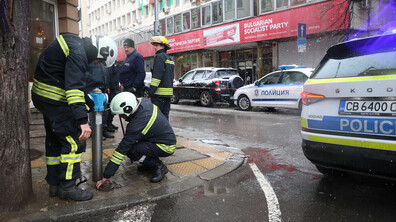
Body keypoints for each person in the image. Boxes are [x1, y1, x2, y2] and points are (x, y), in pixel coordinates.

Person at [31, 34, 112, 201]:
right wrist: (83, 122)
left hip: (44, 98)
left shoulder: (74, 44)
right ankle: (68, 187)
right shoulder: (79, 53)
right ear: (98, 51)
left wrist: (89, 102)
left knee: (55, 140)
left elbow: (69, 81)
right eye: (98, 61)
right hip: (55, 101)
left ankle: (54, 185)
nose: (95, 64)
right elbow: (74, 89)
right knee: (73, 142)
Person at [96, 92, 176, 189]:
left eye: (121, 114)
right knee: (136, 146)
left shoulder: (137, 124)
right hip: (157, 139)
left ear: (128, 109)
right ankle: (148, 163)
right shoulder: (143, 102)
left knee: (131, 152)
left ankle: (158, 165)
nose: (120, 117)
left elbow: (121, 150)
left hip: (166, 146)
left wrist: (107, 175)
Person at [84, 60, 114, 139]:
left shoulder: (102, 63)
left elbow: (105, 75)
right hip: (92, 89)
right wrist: (91, 81)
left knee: (104, 112)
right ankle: (95, 132)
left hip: (102, 89)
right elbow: (85, 73)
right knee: (94, 112)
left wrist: (107, 86)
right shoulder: (90, 61)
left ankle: (103, 131)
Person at [148, 36, 175, 120]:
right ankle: (165, 133)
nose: (155, 47)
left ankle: (157, 133)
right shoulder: (169, 59)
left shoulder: (159, 57)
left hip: (159, 96)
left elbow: (156, 77)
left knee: (156, 119)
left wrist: (151, 92)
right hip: (167, 96)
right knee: (165, 118)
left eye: (156, 45)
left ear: (163, 46)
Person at [105, 61, 122, 132]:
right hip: (112, 89)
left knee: (113, 108)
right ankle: (107, 124)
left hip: (115, 88)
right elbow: (109, 77)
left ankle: (110, 123)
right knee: (110, 108)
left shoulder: (114, 65)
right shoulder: (109, 65)